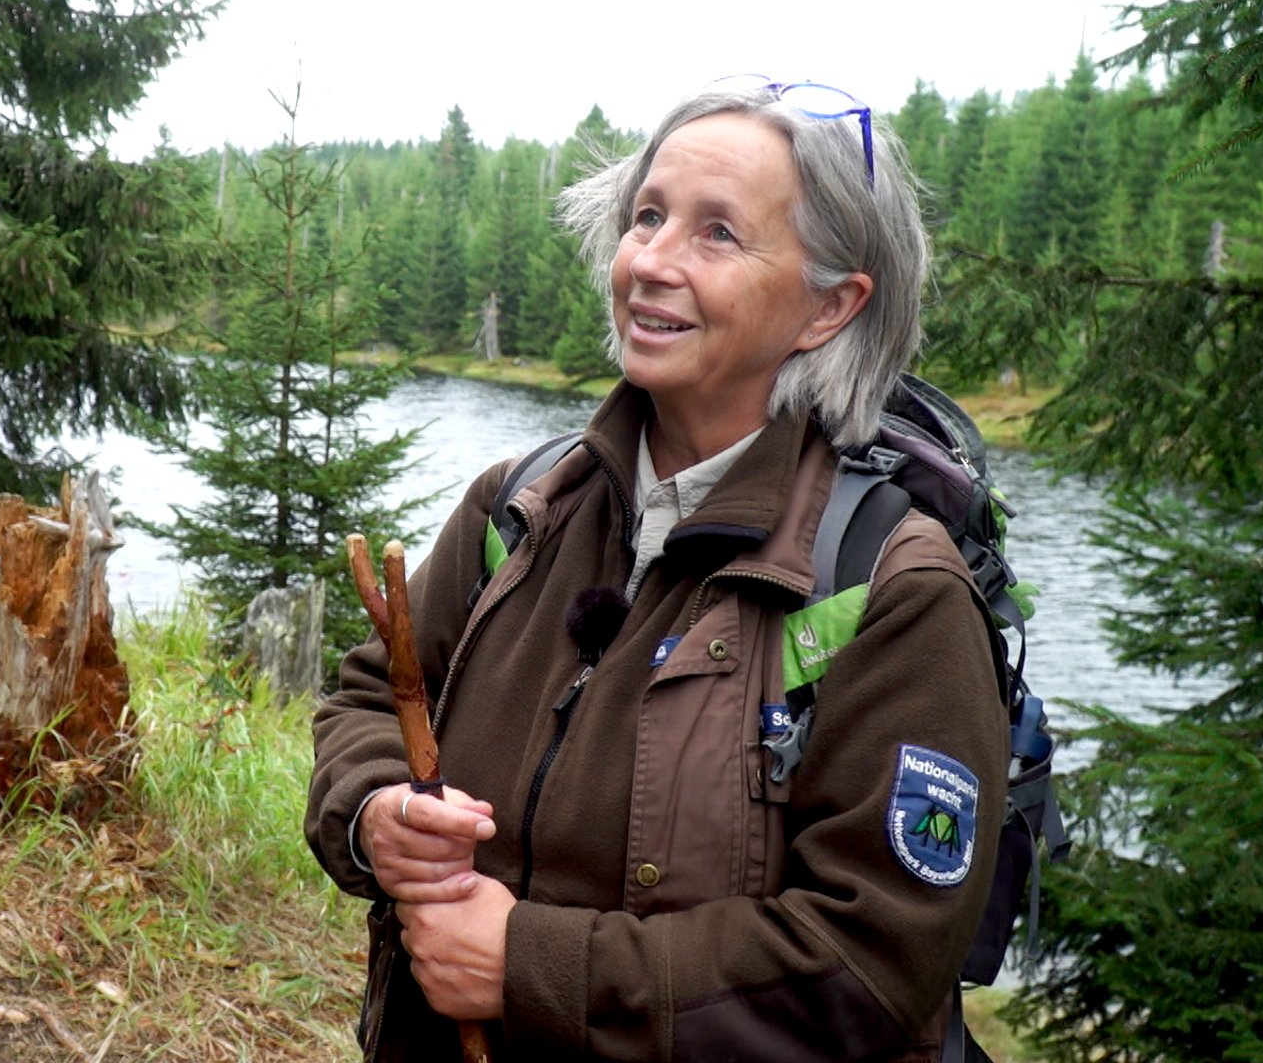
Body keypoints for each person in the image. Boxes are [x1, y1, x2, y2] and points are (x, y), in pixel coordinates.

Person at [305, 79, 1008, 1062]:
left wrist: (526, 964)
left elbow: (868, 969)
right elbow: (370, 695)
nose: (648, 261)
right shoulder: (518, 507)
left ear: (829, 305)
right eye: (646, 216)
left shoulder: (886, 593)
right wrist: (372, 814)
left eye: (716, 233)